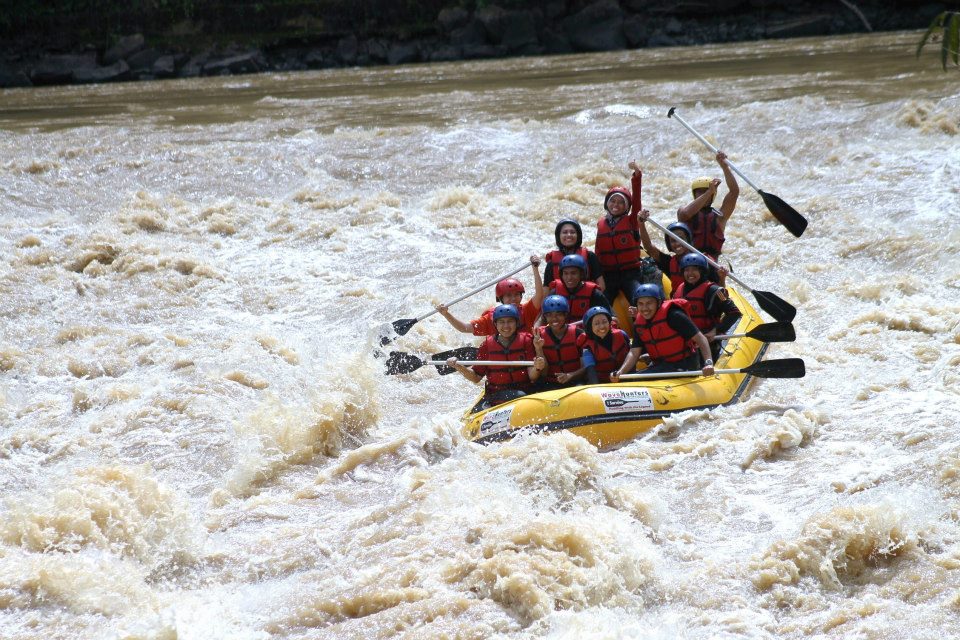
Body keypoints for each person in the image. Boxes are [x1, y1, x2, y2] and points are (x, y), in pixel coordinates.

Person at [446, 304, 546, 409]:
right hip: (497, 394)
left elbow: (532, 376)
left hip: (525, 392)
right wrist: (458, 366)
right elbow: (475, 377)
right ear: (495, 324)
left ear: (517, 323)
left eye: (510, 321)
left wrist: (537, 365)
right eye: (501, 322)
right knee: (519, 395)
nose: (506, 326)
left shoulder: (527, 340)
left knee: (522, 394)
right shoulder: (487, 345)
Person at [612, 284, 716, 381]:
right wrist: (621, 372)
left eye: (649, 303)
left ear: (658, 303)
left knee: (634, 380)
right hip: (661, 365)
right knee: (628, 379)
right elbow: (634, 352)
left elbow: (701, 339)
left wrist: (708, 363)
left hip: (685, 365)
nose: (645, 308)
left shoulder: (674, 316)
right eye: (641, 304)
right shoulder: (639, 323)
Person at [594, 162, 660, 304]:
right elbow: (598, 251)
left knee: (639, 298)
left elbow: (636, 198)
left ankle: (641, 325)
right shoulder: (601, 224)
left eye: (621, 202)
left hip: (630, 274)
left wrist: (637, 175)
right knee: (600, 302)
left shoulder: (632, 221)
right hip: (609, 275)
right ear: (607, 203)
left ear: (627, 207)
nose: (616, 205)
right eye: (613, 201)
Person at [436, 254, 544, 336]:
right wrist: (446, 314)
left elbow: (539, 294)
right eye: (508, 296)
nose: (513, 299)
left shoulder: (527, 310)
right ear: (501, 299)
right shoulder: (491, 318)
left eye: (516, 295)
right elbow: (464, 328)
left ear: (521, 296)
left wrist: (535, 268)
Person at [672, 253, 742, 361]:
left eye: (694, 269)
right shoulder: (679, 289)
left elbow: (734, 313)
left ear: (702, 271)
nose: (690, 273)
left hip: (708, 341)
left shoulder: (715, 291)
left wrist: (715, 331)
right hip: (685, 341)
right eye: (687, 270)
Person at [676, 151, 739, 261]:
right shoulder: (684, 211)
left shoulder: (720, 216)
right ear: (694, 194)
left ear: (713, 194)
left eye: (705, 191)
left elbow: (734, 192)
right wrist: (709, 192)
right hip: (690, 262)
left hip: (712, 263)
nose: (703, 194)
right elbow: (685, 214)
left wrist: (724, 167)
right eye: (699, 192)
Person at [532, 295, 586, 389]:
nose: (554, 319)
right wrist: (539, 349)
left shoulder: (578, 334)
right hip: (550, 383)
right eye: (549, 315)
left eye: (558, 314)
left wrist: (570, 376)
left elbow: (586, 367)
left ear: (565, 315)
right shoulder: (539, 336)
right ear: (545, 317)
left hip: (574, 381)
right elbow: (544, 373)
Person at [636, 210, 696, 294]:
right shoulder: (668, 262)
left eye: (681, 239)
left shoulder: (700, 261)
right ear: (669, 244)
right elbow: (649, 247)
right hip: (678, 302)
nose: (677, 243)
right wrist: (641, 224)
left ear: (688, 240)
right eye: (673, 241)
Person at [543, 218, 605, 289]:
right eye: (565, 232)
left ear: (578, 235)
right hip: (561, 299)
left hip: (585, 298)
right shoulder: (552, 262)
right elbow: (546, 291)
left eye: (572, 232)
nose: (569, 235)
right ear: (559, 236)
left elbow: (601, 286)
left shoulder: (590, 256)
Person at [547, 254, 611, 323]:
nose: (569, 278)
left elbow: (611, 317)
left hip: (585, 332)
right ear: (561, 275)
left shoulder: (595, 294)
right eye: (565, 273)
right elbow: (542, 318)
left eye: (573, 273)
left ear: (582, 274)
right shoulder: (554, 293)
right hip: (561, 332)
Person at [577, 306, 631, 384]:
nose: (602, 326)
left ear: (609, 323)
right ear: (590, 327)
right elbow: (591, 372)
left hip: (625, 376)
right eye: (596, 323)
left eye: (604, 322)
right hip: (603, 383)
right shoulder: (587, 348)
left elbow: (631, 356)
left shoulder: (622, 335)